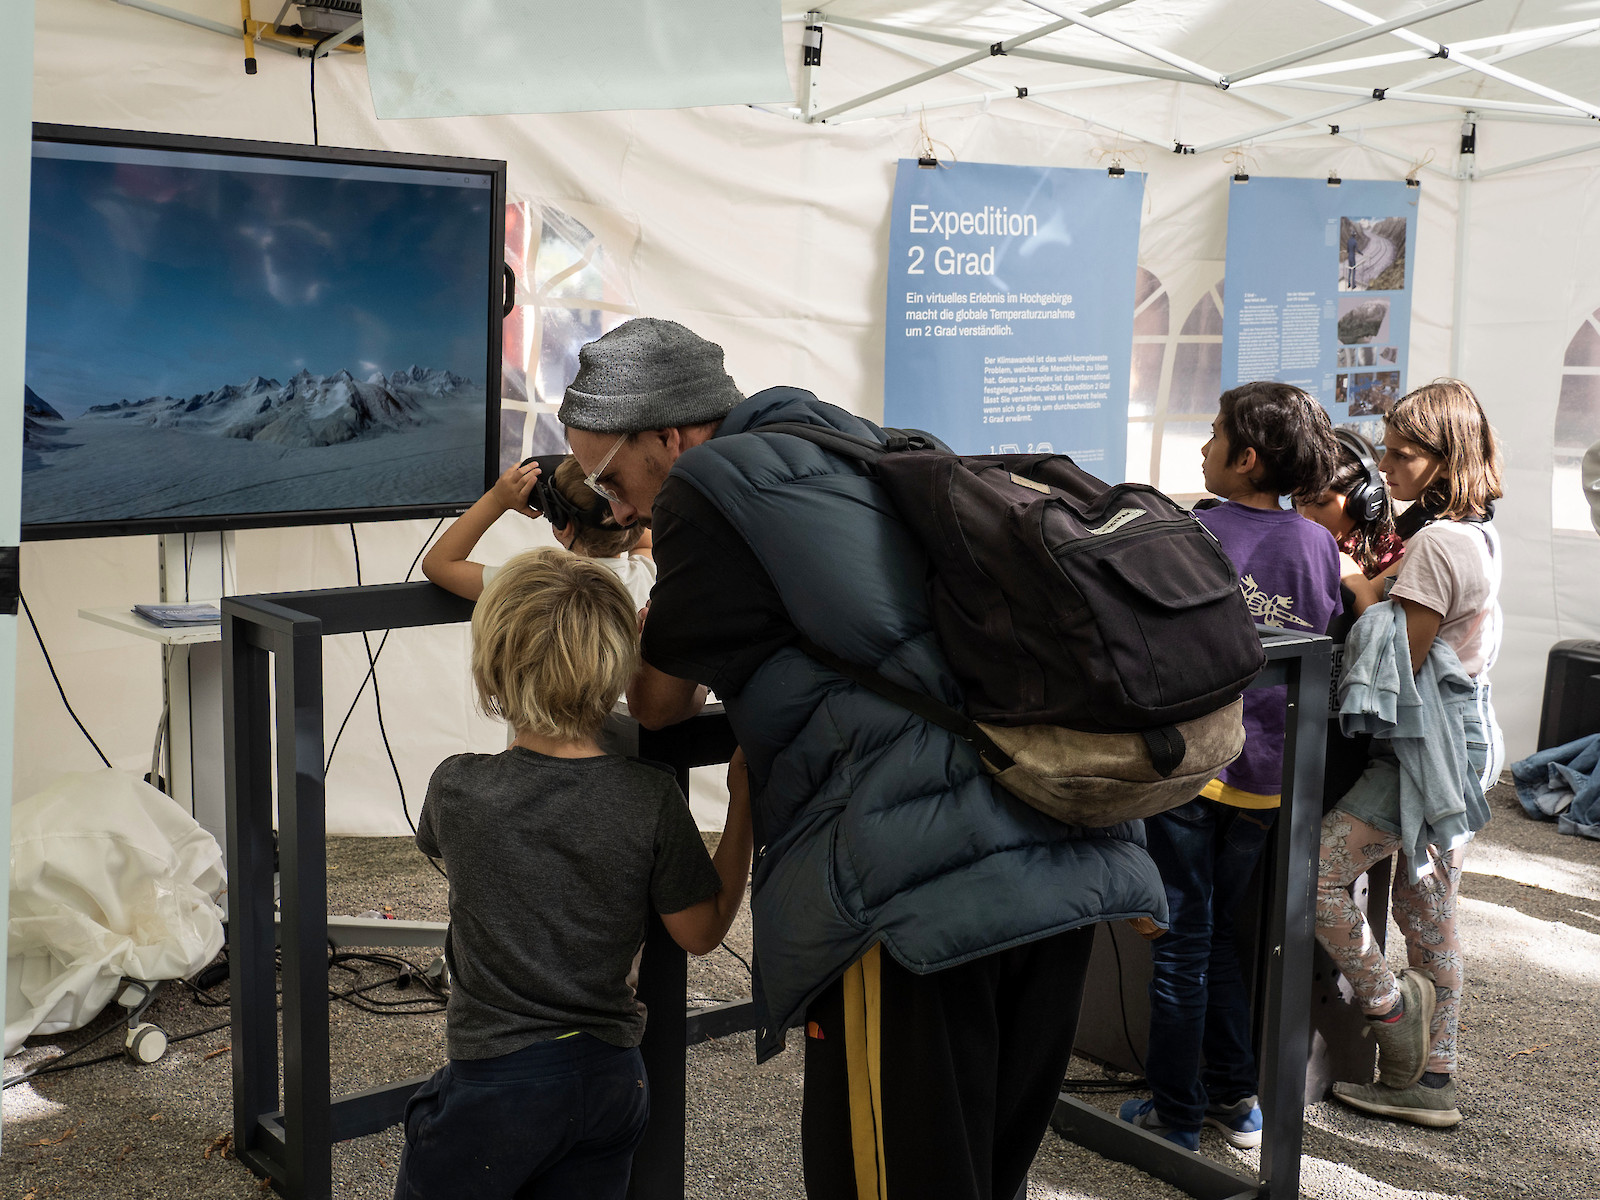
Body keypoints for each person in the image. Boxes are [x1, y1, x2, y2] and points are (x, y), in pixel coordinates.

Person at [559, 316, 1166, 1200]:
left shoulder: (710, 488)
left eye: (613, 478)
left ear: (670, 435)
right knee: (989, 1173)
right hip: (1054, 842)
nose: (616, 510)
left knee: (885, 1180)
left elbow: (657, 702)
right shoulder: (856, 439)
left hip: (916, 895)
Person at [393, 548, 753, 1200]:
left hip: (493, 1083)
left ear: (492, 668)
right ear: (623, 662)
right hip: (609, 1079)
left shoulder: (456, 789)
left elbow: (455, 854)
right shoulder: (651, 797)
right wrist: (744, 806)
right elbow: (701, 931)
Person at [1119, 382, 1344, 1152]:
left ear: (1246, 457)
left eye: (1214, 434)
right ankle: (1236, 1098)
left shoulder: (1196, 531)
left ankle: (1176, 1116)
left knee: (1182, 937)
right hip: (1268, 777)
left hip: (1195, 767)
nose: (1202, 446)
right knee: (1217, 938)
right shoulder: (1318, 543)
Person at [1314, 379, 1504, 1130]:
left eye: (1404, 453)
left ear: (1445, 458)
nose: (1386, 466)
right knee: (1428, 911)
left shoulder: (1433, 544)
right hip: (1464, 744)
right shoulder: (1478, 531)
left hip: (1424, 751)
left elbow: (1402, 665)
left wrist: (1354, 586)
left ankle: (1394, 1018)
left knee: (1316, 873)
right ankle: (1433, 1079)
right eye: (1386, 449)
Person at [422, 456, 656, 608]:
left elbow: (439, 564)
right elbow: (641, 541)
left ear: (564, 525)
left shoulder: (538, 587)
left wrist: (497, 499)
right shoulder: (649, 575)